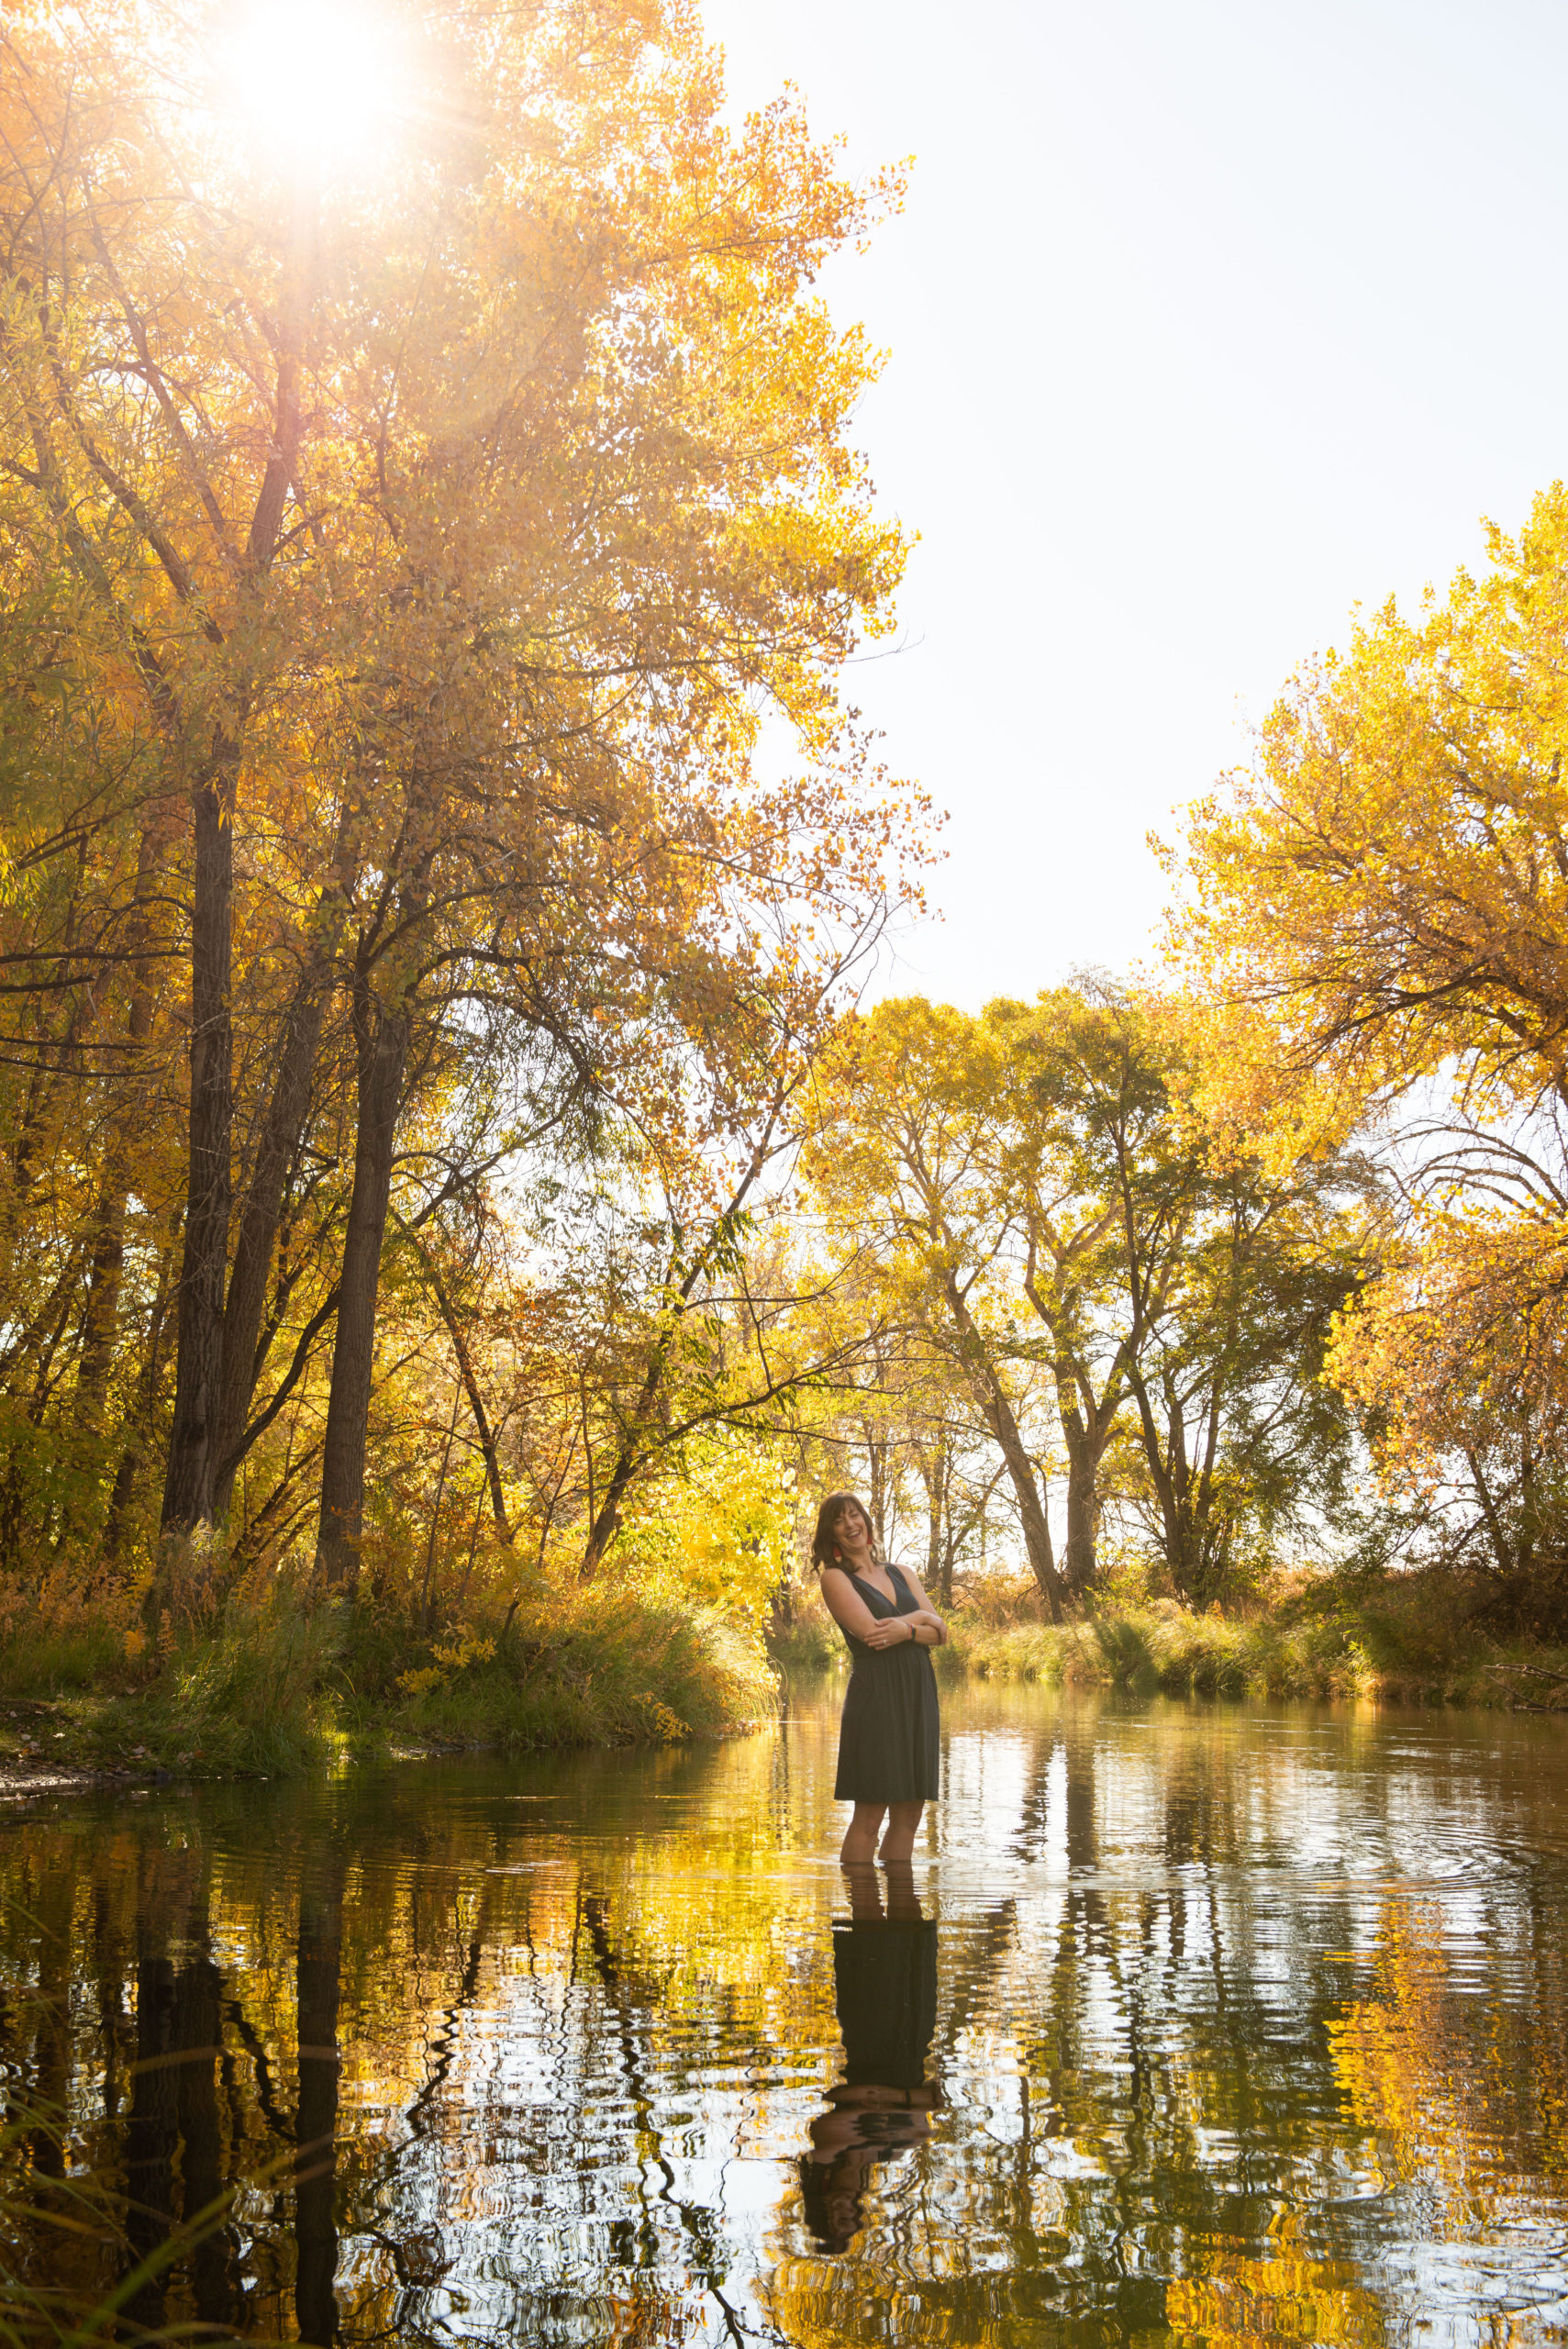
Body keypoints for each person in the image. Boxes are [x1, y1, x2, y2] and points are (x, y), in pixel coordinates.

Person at [798, 1862, 940, 2254]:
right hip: (912, 2040)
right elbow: (933, 2103)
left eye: (832, 2216)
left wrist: (896, 2101)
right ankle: (895, 1876)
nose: (843, 2210)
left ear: (821, 2202)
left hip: (870, 2034)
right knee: (912, 1940)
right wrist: (892, 2099)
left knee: (874, 1936)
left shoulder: (824, 2152)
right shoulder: (889, 2154)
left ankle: (864, 1873)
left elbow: (843, 2105)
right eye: (848, 2219)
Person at [813, 1490, 947, 1865]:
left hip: (919, 1694)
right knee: (870, 1817)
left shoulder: (903, 1573)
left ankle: (901, 1899)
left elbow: (941, 1635)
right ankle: (860, 1897)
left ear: (866, 1522)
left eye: (854, 1515)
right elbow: (873, 1634)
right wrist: (921, 1619)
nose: (850, 1524)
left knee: (910, 1816)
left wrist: (907, 1630)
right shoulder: (835, 1578)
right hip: (876, 1698)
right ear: (832, 1534)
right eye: (839, 1521)